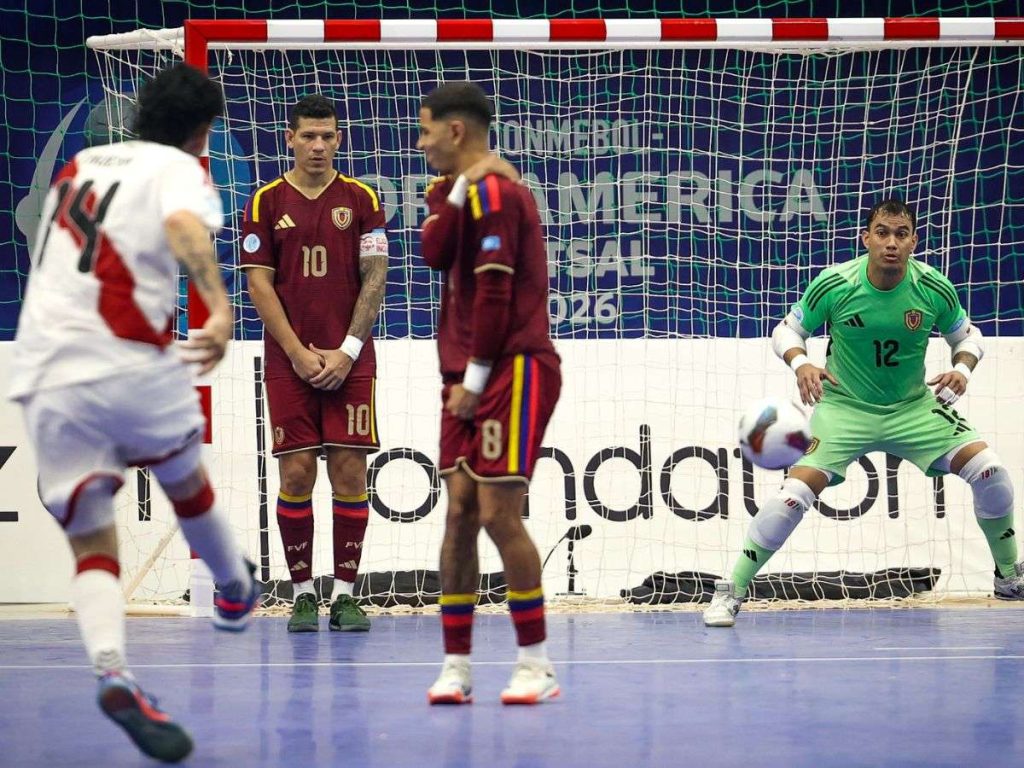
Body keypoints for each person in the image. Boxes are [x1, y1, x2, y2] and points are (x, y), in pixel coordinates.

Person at [7, 63, 257, 763]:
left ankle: (114, 670)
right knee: (185, 481)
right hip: (124, 357)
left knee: (92, 542)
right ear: (201, 132)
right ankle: (235, 587)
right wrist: (218, 304)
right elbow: (182, 225)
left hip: (43, 369)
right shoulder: (177, 169)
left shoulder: (79, 167)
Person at [705, 198, 1023, 627]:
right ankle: (732, 589)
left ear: (913, 241)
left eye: (901, 234)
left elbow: (968, 337)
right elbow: (787, 330)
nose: (891, 243)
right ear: (866, 238)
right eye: (882, 233)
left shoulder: (933, 286)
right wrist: (803, 364)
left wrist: (962, 369)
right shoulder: (836, 283)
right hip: (844, 409)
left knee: (990, 471)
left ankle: (1008, 575)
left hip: (914, 408)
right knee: (792, 496)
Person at [416, 82, 562, 705]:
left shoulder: (500, 194)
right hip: (464, 374)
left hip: (513, 368)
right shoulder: (458, 190)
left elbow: (497, 297)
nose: (419, 145)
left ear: (455, 131)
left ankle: (535, 666)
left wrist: (475, 383)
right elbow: (432, 251)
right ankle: (457, 667)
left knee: (501, 513)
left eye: (425, 132)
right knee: (458, 515)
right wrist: (459, 186)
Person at [240, 95, 388, 633]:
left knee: (349, 469)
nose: (319, 146)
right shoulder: (264, 201)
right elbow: (259, 284)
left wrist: (347, 350)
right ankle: (303, 594)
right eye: (309, 136)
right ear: (290, 138)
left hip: (352, 360)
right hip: (288, 362)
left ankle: (346, 595)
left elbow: (376, 275)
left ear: (339, 140)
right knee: (297, 471)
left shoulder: (362, 198)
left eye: (328, 136)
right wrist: (299, 353)